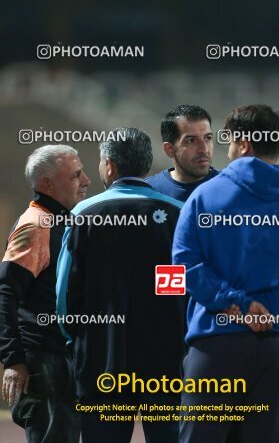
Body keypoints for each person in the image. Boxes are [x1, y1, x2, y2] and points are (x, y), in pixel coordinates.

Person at [172, 105, 279, 443]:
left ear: (244, 144)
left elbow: (184, 266)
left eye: (229, 141)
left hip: (214, 345)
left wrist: (240, 305)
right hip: (278, 349)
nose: (226, 149)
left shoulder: (203, 197)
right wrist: (269, 307)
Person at [56, 128, 186, 443]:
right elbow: (182, 290)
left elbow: (64, 295)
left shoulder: (83, 215)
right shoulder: (177, 214)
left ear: (109, 166)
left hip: (103, 361)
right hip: (165, 363)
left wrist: (74, 341)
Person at [0, 144, 90, 443]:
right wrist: (14, 361)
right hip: (43, 363)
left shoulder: (58, 220)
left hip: (58, 360)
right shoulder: (37, 225)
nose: (86, 181)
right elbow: (5, 294)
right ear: (47, 185)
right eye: (76, 175)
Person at [146, 105, 219, 201]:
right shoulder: (148, 193)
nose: (204, 149)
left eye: (207, 138)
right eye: (191, 140)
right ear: (169, 149)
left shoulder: (232, 188)